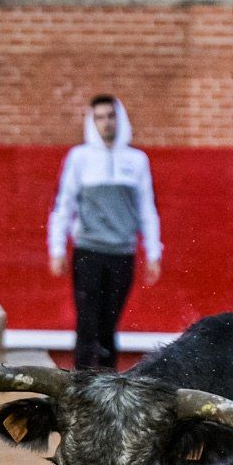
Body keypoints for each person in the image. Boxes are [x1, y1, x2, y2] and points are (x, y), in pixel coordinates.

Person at [47, 94, 162, 370]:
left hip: (122, 252)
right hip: (89, 250)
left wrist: (154, 252)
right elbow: (64, 203)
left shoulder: (136, 160)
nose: (106, 123)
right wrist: (57, 248)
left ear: (119, 119)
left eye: (111, 117)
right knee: (87, 322)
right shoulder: (80, 158)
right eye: (100, 118)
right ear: (92, 121)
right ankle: (81, 385)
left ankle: (107, 386)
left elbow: (147, 208)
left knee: (110, 325)